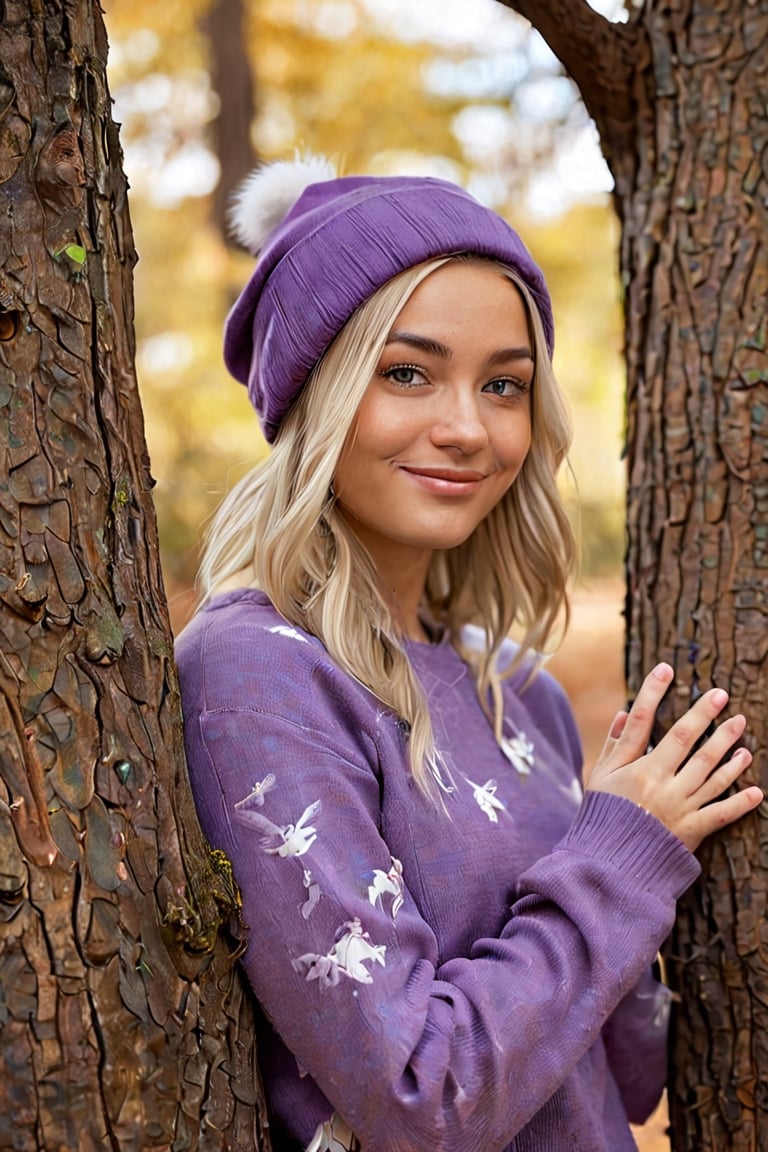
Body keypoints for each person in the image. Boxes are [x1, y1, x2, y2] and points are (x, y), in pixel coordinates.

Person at [174, 155, 762, 1152]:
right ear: (312, 394)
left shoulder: (514, 691)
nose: (467, 429)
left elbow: (619, 1073)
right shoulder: (259, 675)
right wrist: (619, 854)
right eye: (406, 373)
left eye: (505, 385)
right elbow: (418, 1092)